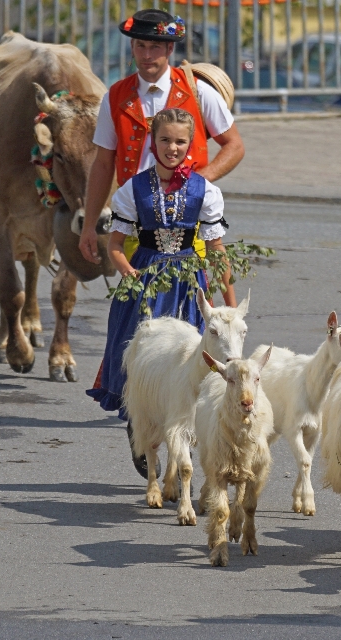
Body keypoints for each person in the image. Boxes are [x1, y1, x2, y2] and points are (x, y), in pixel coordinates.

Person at [86, 108, 227, 474]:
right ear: (153, 141)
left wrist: (228, 305)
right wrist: (131, 274)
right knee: (141, 358)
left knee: (194, 363)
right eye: (165, 140)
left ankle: (185, 451)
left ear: (191, 143)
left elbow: (217, 251)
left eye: (181, 141)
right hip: (145, 283)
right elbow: (115, 245)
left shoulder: (204, 191)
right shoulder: (133, 189)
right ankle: (139, 426)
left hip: (188, 286)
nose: (172, 147)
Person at [78, 8, 244, 307]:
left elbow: (234, 146)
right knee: (143, 306)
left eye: (155, 46)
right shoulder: (115, 96)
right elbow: (103, 164)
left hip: (189, 218)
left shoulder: (198, 92)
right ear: (131, 47)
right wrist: (90, 224)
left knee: (193, 300)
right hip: (137, 215)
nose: (147, 54)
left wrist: (199, 182)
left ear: (169, 48)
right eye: (140, 45)